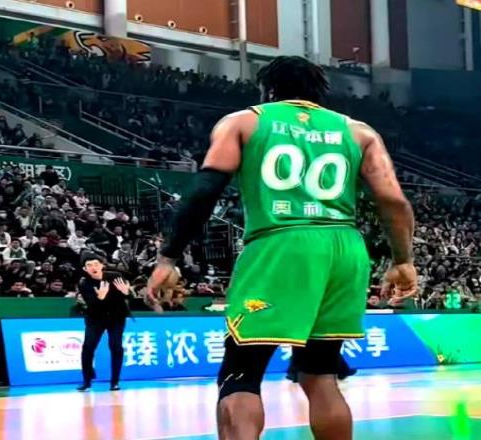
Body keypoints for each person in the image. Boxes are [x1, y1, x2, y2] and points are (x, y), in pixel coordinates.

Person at [148, 56, 417, 440]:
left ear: (268, 90)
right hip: (344, 248)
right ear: (319, 92)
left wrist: (168, 257)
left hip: (280, 243)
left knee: (240, 373)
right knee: (321, 376)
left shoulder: (244, 122)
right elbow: (393, 200)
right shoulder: (358, 132)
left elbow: (204, 191)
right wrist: (403, 260)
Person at [77, 254, 132, 392]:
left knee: (116, 346)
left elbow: (128, 296)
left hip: (116, 316)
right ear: (85, 269)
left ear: (102, 265)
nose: (93, 267)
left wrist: (126, 293)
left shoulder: (115, 276)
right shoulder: (84, 283)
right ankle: (87, 381)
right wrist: (100, 297)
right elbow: (92, 305)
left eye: (96, 264)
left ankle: (115, 382)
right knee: (88, 347)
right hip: (95, 318)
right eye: (89, 265)